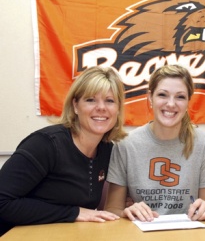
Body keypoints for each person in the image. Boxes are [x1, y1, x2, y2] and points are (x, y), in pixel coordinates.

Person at [0, 66, 127, 236]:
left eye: (110, 101)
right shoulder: (45, 144)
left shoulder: (107, 150)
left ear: (118, 109)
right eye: (90, 100)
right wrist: (73, 212)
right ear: (75, 106)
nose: (101, 108)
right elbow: (2, 202)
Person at [105, 64, 205, 222]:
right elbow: (112, 210)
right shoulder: (125, 145)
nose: (171, 104)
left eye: (180, 97)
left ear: (189, 101)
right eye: (163, 95)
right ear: (150, 97)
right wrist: (128, 212)